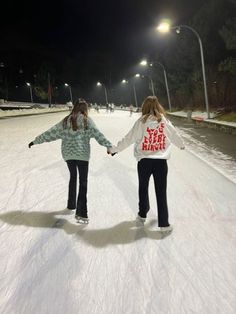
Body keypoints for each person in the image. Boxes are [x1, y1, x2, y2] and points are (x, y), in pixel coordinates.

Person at [28, 99, 113, 224]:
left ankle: (71, 204)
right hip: (82, 155)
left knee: (73, 177)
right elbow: (98, 134)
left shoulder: (65, 121)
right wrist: (109, 146)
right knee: (83, 182)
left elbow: (51, 133)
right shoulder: (86, 121)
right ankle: (82, 213)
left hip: (68, 155)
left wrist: (36, 140)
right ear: (85, 109)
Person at [109, 96, 185, 232]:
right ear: (158, 106)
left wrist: (115, 149)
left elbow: (129, 138)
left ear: (144, 106)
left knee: (143, 188)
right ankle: (164, 224)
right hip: (160, 162)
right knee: (161, 192)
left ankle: (142, 214)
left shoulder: (141, 122)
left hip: (144, 161)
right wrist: (181, 145)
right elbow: (174, 135)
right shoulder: (164, 121)